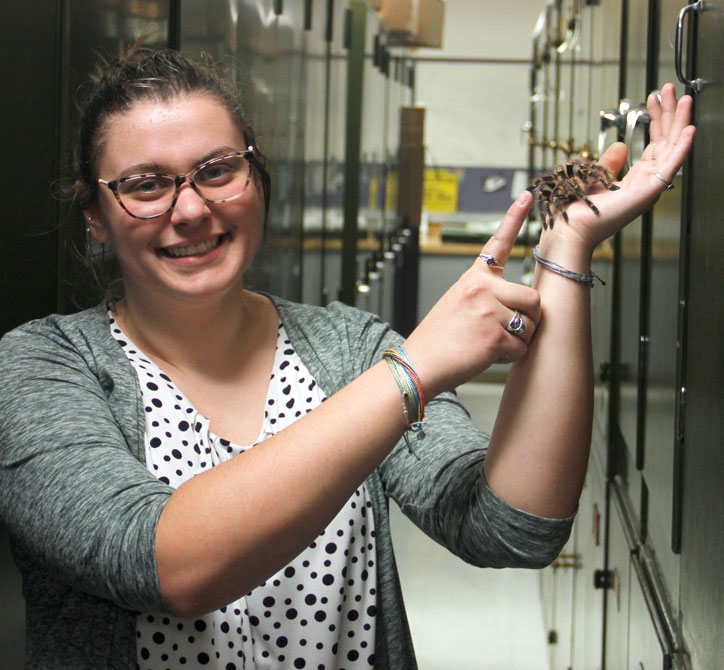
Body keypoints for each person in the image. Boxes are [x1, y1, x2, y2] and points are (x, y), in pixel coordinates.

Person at [0, 46, 694, 670]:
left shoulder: (349, 350)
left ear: (256, 175)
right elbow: (167, 563)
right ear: (94, 211)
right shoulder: (39, 369)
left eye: (217, 170)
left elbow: (512, 527)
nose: (191, 208)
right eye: (147, 185)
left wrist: (565, 253)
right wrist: (412, 374)